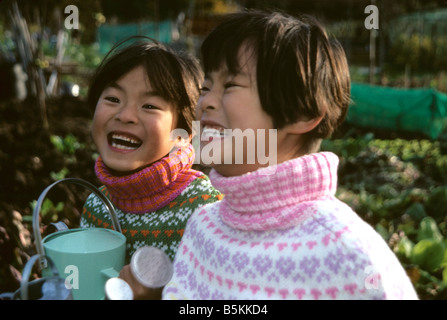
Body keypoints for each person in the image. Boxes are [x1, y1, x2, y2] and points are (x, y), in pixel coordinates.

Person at [162, 11, 418, 300]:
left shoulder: (346, 252)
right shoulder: (203, 226)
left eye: (230, 85)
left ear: (301, 114)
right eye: (205, 87)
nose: (205, 101)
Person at [80, 37, 222, 267]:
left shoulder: (203, 206)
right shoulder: (97, 206)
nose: (125, 115)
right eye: (113, 99)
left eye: (149, 106)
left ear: (183, 132)